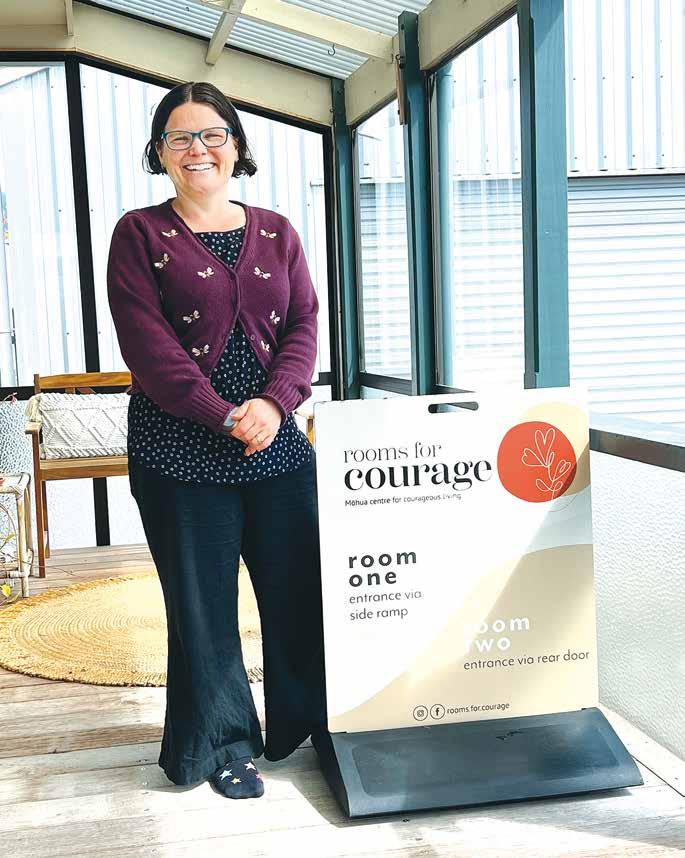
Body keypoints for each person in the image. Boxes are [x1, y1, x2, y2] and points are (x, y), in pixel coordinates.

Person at [106, 81, 327, 800]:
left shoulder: (278, 231)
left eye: (211, 134)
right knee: (202, 610)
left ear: (236, 145)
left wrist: (275, 402)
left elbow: (303, 324)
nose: (197, 148)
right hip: (178, 449)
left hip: (276, 444)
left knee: (301, 591)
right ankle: (222, 744)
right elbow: (148, 346)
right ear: (160, 152)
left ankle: (311, 724)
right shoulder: (138, 234)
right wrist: (225, 414)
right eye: (180, 137)